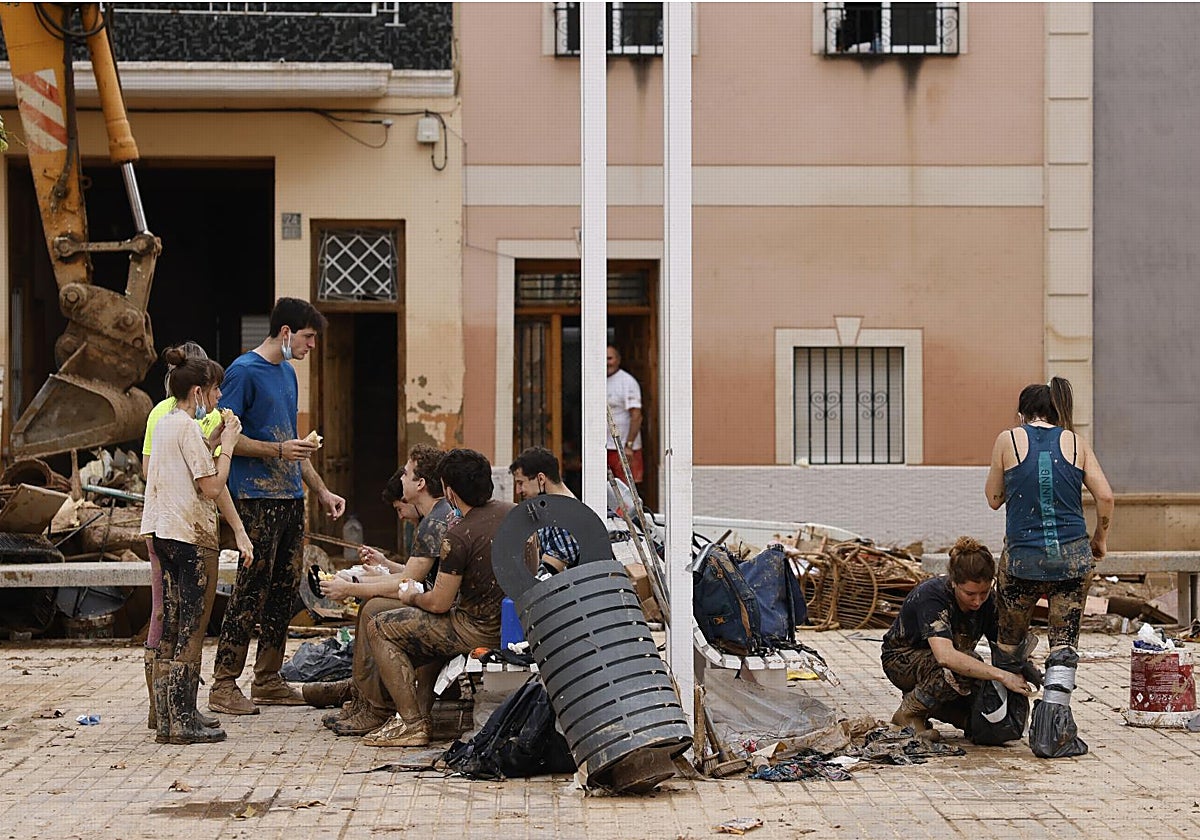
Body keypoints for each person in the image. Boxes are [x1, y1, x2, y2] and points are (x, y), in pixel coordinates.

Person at [208, 298, 347, 716]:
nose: (311, 347)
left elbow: (291, 443)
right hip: (254, 498)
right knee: (250, 589)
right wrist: (278, 449)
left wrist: (321, 490)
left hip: (290, 499)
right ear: (286, 333)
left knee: (284, 593)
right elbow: (222, 435)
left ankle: (267, 678)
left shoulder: (287, 373)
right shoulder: (242, 372)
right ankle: (223, 683)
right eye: (307, 338)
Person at [984, 376, 1115, 730]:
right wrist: (1100, 538)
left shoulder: (1007, 439)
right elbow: (1105, 497)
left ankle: (999, 723)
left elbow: (994, 500)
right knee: (1063, 644)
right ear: (1057, 411)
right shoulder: (1077, 443)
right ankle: (1052, 729)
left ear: (1022, 413)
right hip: (1071, 559)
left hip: (1022, 560)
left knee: (1008, 641)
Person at [361, 449, 515, 747]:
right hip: (515, 624)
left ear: (449, 491)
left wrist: (412, 596)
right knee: (425, 630)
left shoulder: (459, 535)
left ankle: (412, 724)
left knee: (380, 625)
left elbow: (439, 603)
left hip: (477, 628)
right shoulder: (512, 512)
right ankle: (422, 711)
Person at [140, 342, 254, 734]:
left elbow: (191, 462)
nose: (220, 396)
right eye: (216, 389)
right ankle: (184, 718)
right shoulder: (187, 425)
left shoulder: (168, 422)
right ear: (198, 392)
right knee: (192, 625)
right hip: (188, 536)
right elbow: (211, 485)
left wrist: (216, 438)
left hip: (162, 532)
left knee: (170, 624)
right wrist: (230, 445)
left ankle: (168, 719)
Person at [314, 445, 459, 734]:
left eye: (406, 473)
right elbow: (409, 575)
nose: (401, 477)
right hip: (444, 604)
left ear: (420, 484)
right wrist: (358, 583)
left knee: (373, 610)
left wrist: (352, 586)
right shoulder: (437, 515)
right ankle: (364, 700)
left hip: (447, 613)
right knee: (373, 604)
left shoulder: (434, 521)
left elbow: (406, 583)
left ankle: (375, 708)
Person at [881, 537, 1032, 741]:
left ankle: (944, 713)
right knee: (967, 665)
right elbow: (946, 657)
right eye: (970, 594)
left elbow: (1003, 648)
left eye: (984, 592)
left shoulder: (989, 603)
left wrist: (1023, 669)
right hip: (902, 661)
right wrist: (1002, 676)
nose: (978, 601)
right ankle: (908, 714)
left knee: (986, 721)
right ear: (953, 582)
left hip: (945, 667)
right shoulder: (932, 596)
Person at [510, 446, 582, 574]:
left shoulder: (564, 514)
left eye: (521, 483)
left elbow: (549, 574)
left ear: (541, 479)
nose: (518, 491)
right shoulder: (552, 510)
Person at [606, 344, 644, 485]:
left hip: (623, 448)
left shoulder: (627, 382)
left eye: (610, 358)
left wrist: (629, 445)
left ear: (618, 360)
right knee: (608, 490)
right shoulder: (597, 380)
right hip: (605, 447)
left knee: (626, 490)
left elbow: (636, 416)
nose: (606, 363)